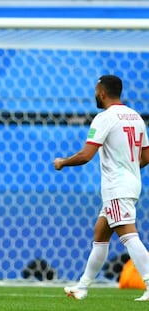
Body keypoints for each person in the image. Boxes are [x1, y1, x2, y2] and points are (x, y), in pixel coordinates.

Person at [54, 74, 149, 301]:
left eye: (96, 90)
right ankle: (82, 287)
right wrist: (128, 169)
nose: (95, 94)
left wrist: (62, 162)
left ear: (102, 92)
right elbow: (146, 156)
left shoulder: (105, 117)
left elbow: (86, 155)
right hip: (131, 183)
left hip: (117, 187)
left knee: (128, 235)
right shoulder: (136, 117)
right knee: (100, 233)